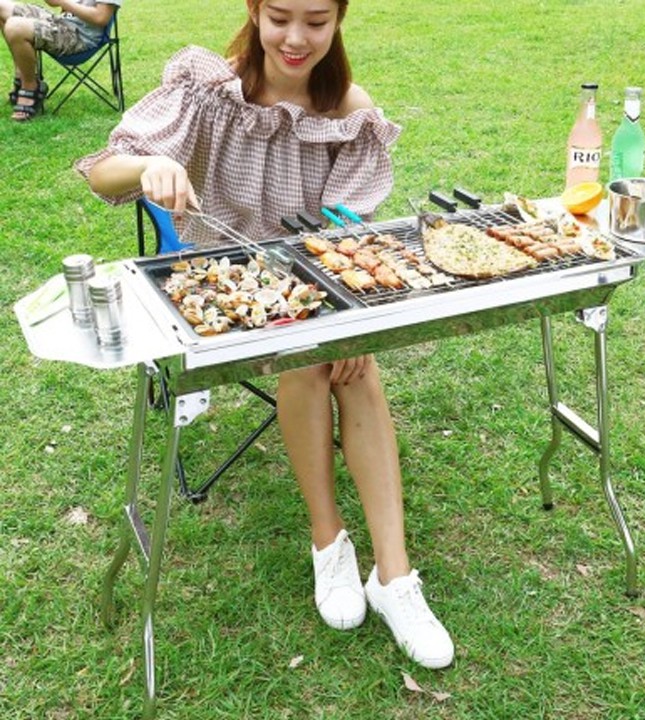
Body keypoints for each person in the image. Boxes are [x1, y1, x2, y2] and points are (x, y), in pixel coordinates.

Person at [76, 0, 454, 670]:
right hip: (221, 285)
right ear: (254, 11)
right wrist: (148, 166)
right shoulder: (207, 91)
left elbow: (346, 237)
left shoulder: (348, 111)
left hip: (315, 284)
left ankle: (393, 575)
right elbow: (103, 169)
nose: (296, 38)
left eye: (317, 21)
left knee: (351, 362)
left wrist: (353, 324)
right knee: (307, 356)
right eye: (280, 17)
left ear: (339, 19)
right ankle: (328, 541)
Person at [0, 0, 120, 121]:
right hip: (61, 23)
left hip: (79, 37)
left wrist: (62, 2)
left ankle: (31, 86)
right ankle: (22, 76)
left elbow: (100, 18)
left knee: (15, 27)